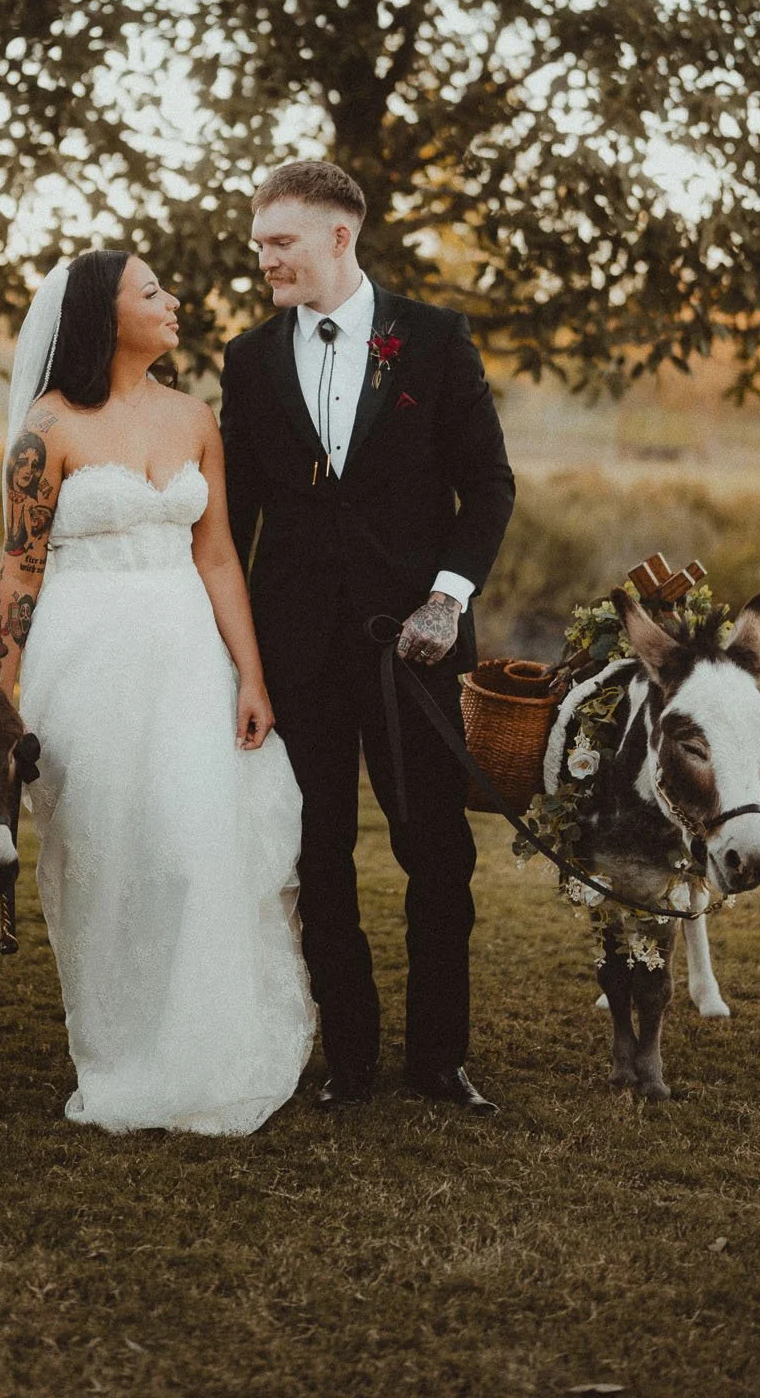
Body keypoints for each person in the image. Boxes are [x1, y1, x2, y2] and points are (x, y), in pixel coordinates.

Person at [0, 250, 313, 1134]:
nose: (173, 302)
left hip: (184, 653)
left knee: (190, 844)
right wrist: (2, 689)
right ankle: (118, 1054)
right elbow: (20, 570)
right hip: (84, 655)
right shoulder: (47, 427)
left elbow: (215, 554)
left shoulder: (194, 417)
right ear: (106, 315)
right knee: (100, 853)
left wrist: (249, 674)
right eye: (151, 293)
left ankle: (202, 1050)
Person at [220, 161, 515, 1113]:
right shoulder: (248, 359)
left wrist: (447, 598)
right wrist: (238, 661)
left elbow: (490, 488)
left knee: (435, 851)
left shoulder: (432, 341)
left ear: (340, 237)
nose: (264, 259)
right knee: (319, 853)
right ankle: (346, 1059)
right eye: (260, 243)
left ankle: (439, 1059)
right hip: (296, 651)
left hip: (415, 648)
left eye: (281, 243)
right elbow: (235, 517)